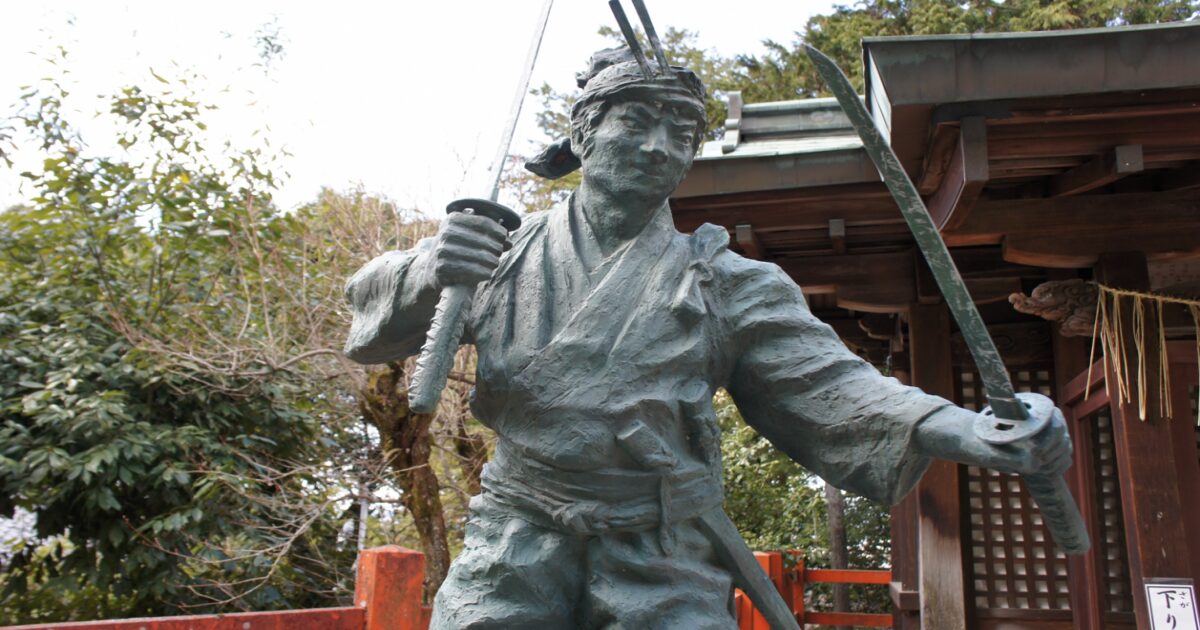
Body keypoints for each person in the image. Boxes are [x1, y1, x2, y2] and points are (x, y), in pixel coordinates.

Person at [343, 48, 1072, 629]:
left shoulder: (726, 282)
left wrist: (968, 429)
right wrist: (430, 271)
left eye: (682, 132)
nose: (660, 146)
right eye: (637, 120)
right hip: (516, 533)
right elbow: (374, 323)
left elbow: (832, 387)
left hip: (660, 546)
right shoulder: (498, 253)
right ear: (582, 131)